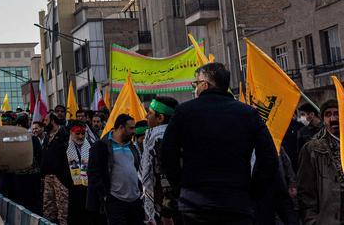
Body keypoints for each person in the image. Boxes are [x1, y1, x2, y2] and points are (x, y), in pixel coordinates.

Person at [161, 62, 278, 224]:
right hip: (237, 204)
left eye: (195, 83)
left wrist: (181, 187)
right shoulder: (248, 114)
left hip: (195, 206)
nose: (195, 88)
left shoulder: (184, 112)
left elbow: (167, 154)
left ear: (204, 84)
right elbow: (269, 158)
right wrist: (253, 190)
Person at [87, 114, 143, 224]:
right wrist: (105, 195)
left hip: (134, 200)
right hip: (115, 201)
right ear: (121, 127)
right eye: (131, 128)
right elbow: (93, 174)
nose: (134, 131)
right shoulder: (101, 146)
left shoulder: (131, 146)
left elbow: (135, 169)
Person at [296, 98, 342, 224]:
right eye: (328, 114)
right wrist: (312, 221)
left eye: (337, 113)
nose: (333, 119)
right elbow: (305, 192)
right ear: (323, 119)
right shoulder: (312, 149)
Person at [141, 96, 178, 225]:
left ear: (160, 118)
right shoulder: (173, 135)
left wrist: (166, 212)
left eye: (150, 113)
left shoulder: (161, 140)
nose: (146, 116)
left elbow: (167, 177)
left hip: (167, 208)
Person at [41, 114, 72, 223]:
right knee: (48, 206)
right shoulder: (47, 136)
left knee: (62, 206)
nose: (44, 122)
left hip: (60, 177)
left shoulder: (64, 134)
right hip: (48, 176)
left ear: (53, 121)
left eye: (46, 120)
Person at [65, 120, 93, 225]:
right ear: (71, 133)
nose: (81, 136)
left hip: (87, 190)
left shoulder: (90, 147)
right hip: (72, 190)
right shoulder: (64, 148)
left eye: (83, 133)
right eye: (77, 133)